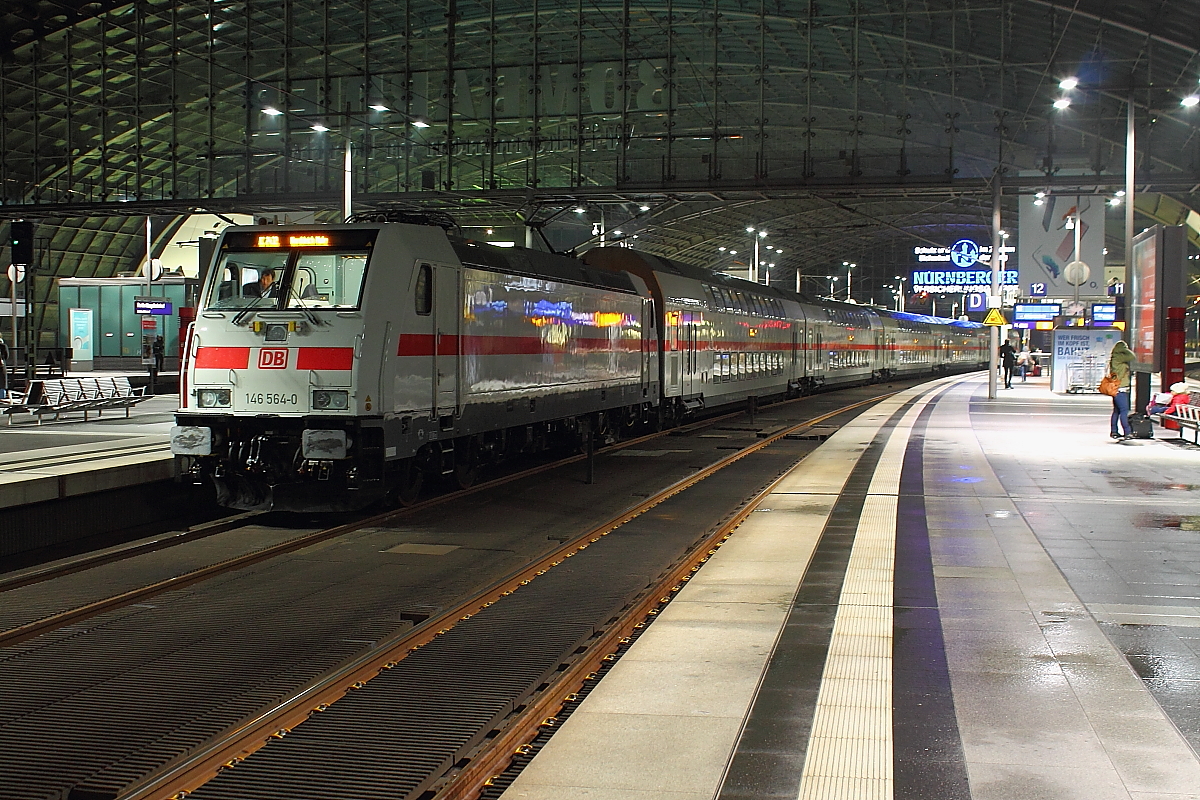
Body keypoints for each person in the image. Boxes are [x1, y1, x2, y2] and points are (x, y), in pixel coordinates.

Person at [1108, 340, 1135, 439]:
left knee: (1116, 411)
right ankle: (1127, 432)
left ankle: (1114, 431)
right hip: (1121, 389)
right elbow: (1132, 356)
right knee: (1124, 410)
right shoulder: (1120, 358)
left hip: (1115, 388)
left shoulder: (1114, 358)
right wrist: (1125, 349)